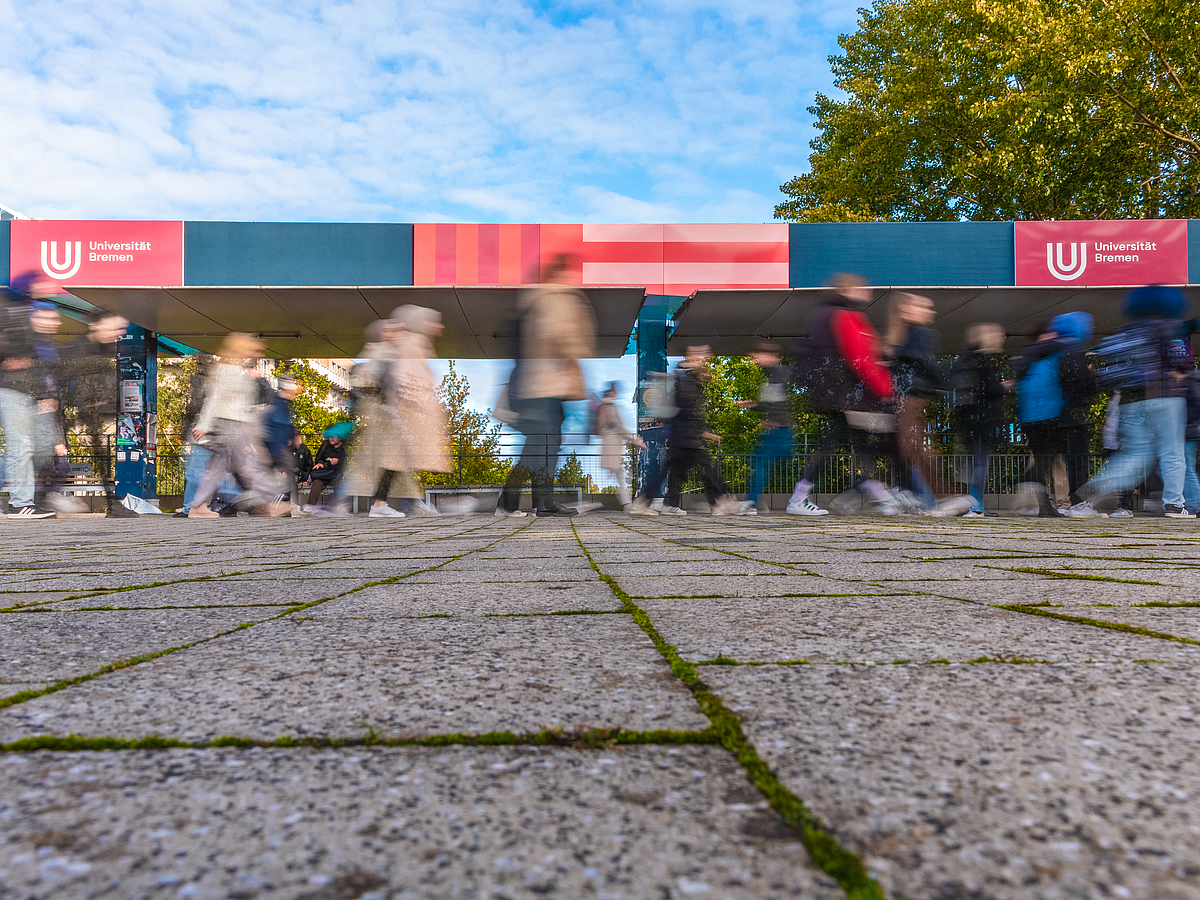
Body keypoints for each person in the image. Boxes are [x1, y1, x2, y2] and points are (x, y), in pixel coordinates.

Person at [496, 254, 596, 518]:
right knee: (544, 446)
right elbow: (559, 334)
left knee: (538, 445)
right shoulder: (553, 297)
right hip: (546, 383)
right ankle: (536, 502)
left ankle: (520, 502)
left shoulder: (534, 299)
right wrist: (575, 353)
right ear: (557, 275)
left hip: (535, 383)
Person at [1078, 285, 1191, 518]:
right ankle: (1174, 504)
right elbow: (1182, 365)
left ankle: (1099, 483)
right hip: (1165, 397)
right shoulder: (1170, 328)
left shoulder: (1125, 331)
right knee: (1172, 452)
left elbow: (1108, 370)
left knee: (1135, 453)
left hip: (1130, 400)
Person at [786, 274, 893, 516]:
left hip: (833, 391)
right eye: (863, 288)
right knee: (838, 443)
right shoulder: (846, 314)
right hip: (846, 394)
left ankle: (876, 491)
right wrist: (883, 389)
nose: (867, 292)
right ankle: (799, 498)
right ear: (849, 288)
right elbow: (860, 357)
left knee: (860, 441)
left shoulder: (822, 313)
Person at [630, 344, 747, 516]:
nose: (704, 358)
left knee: (680, 472)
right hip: (686, 436)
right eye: (701, 354)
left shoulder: (687, 375)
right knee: (706, 469)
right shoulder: (685, 376)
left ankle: (665, 504)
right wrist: (698, 432)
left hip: (683, 436)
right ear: (691, 356)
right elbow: (687, 408)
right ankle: (721, 502)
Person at [188, 333, 286, 518]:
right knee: (252, 465)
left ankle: (197, 506)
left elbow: (244, 404)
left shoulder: (238, 370)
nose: (257, 354)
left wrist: (254, 426)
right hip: (228, 426)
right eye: (253, 349)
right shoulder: (226, 370)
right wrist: (203, 424)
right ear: (240, 348)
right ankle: (273, 501)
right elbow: (214, 398)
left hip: (235, 426)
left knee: (219, 468)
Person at [1013, 312, 1097, 517]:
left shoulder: (1031, 353)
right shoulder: (1067, 349)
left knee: (1044, 459)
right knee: (1072, 458)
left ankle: (1038, 502)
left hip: (1030, 415)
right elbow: (1080, 382)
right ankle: (1076, 504)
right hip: (1056, 414)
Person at [0, 273, 61, 518]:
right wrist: (9, 360)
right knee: (21, 446)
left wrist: (44, 393)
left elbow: (38, 359)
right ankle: (19, 503)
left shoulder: (30, 311)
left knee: (30, 447)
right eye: (44, 285)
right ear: (30, 286)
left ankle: (20, 500)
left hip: (25, 390)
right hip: (12, 388)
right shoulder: (12, 310)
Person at [884, 292, 948, 513]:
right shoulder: (916, 333)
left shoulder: (907, 335)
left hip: (909, 398)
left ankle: (937, 496)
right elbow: (925, 364)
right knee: (910, 447)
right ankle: (929, 496)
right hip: (910, 397)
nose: (932, 312)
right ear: (906, 309)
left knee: (913, 446)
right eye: (925, 307)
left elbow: (921, 364)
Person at [390, 305, 450, 515]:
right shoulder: (412, 343)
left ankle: (413, 503)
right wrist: (414, 404)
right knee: (399, 460)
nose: (439, 326)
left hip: (410, 413)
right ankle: (412, 503)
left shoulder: (420, 344)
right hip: (407, 414)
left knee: (401, 461)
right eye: (434, 321)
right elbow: (402, 375)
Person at [950, 323, 1009, 517]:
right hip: (983, 419)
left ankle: (976, 505)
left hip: (971, 419)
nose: (999, 338)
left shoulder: (966, 359)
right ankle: (975, 507)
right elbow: (987, 389)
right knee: (981, 464)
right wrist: (1004, 386)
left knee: (976, 464)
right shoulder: (979, 361)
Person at [737, 342, 794, 515]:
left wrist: (774, 421)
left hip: (780, 430)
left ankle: (752, 503)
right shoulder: (773, 373)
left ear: (771, 356)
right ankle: (756, 502)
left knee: (760, 461)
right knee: (763, 462)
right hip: (781, 430)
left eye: (758, 355)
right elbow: (772, 402)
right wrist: (753, 404)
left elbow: (777, 401)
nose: (756, 359)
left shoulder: (777, 372)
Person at [594, 382, 644, 509]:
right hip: (611, 446)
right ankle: (626, 503)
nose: (616, 394)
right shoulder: (609, 407)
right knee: (619, 474)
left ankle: (619, 501)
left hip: (611, 446)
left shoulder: (606, 406)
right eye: (615, 391)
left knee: (615, 474)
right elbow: (618, 428)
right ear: (611, 392)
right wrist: (636, 440)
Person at [304, 433, 345, 510]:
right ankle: (310, 506)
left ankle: (337, 506)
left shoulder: (343, 448)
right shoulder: (325, 445)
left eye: (333, 437)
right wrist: (321, 463)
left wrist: (338, 461)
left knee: (338, 480)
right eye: (329, 437)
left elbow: (343, 465)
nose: (330, 439)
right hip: (324, 473)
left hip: (335, 474)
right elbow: (318, 458)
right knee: (316, 482)